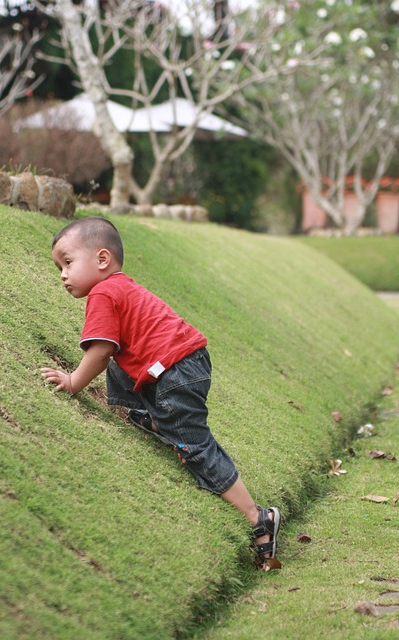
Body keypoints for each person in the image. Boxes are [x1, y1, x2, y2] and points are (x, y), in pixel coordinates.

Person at [41, 216, 281, 570]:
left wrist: (74, 382)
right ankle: (154, 419)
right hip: (184, 362)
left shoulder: (104, 292)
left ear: (102, 259)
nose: (63, 274)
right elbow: (117, 350)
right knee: (125, 360)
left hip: (175, 372)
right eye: (60, 266)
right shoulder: (122, 286)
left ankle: (258, 518)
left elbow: (101, 351)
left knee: (195, 447)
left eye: (68, 262)